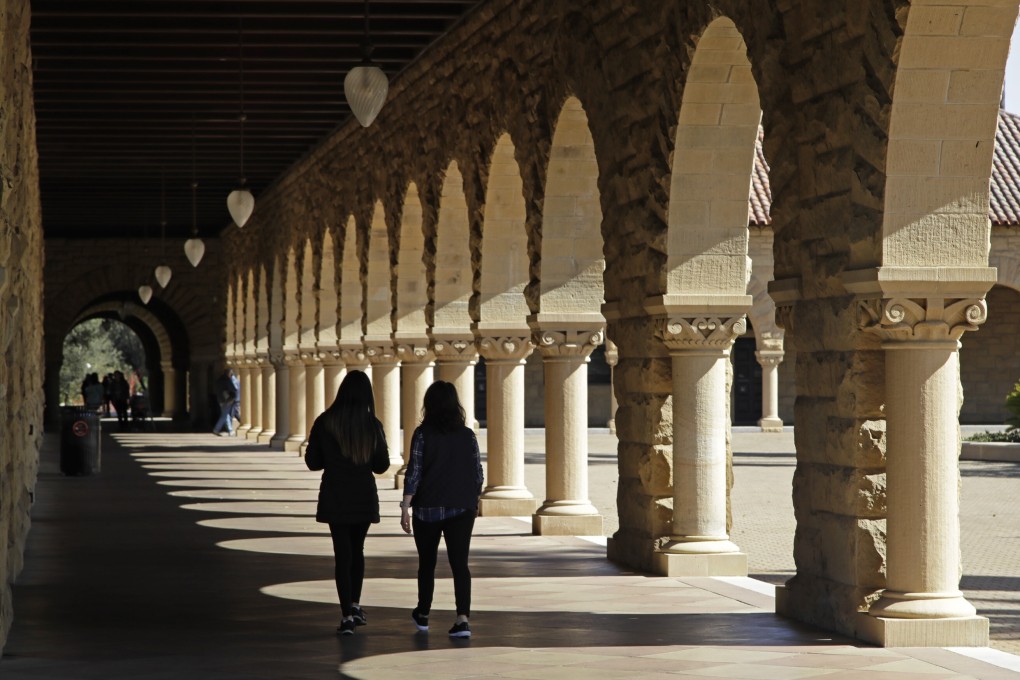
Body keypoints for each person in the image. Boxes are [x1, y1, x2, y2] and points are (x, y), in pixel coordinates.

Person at [304, 370, 390, 636]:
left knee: (342, 554)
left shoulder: (325, 421)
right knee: (358, 549)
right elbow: (382, 465)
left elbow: (313, 462)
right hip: (363, 495)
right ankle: (355, 604)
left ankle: (346, 616)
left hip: (335, 495)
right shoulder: (372, 424)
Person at [400, 380, 483, 638]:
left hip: (427, 508)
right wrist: (471, 499)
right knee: (460, 564)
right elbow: (478, 473)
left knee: (427, 563)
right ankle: (462, 619)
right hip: (461, 507)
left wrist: (405, 506)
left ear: (429, 405)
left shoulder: (423, 434)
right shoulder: (467, 435)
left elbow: (414, 472)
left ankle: (423, 613)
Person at [213, 368, 238, 436]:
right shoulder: (227, 380)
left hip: (220, 400)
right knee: (224, 415)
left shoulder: (219, 380)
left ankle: (230, 430)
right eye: (231, 374)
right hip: (227, 400)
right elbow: (233, 389)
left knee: (225, 414)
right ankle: (216, 429)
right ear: (229, 373)